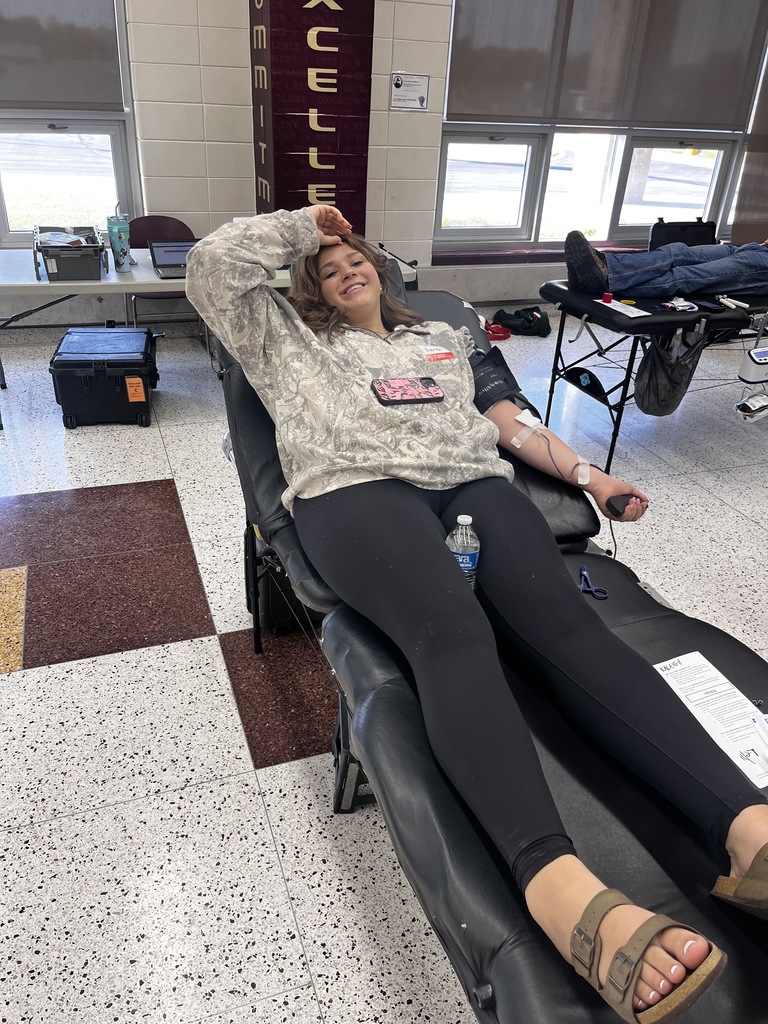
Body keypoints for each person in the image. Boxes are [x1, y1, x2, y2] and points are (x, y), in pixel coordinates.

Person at [187, 206, 768, 1024]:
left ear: (383, 271)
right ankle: (557, 888)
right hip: (357, 490)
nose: (346, 267)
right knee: (453, 634)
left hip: (470, 484)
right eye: (327, 267)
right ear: (305, 287)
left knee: (570, 630)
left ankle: (748, 829)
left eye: (356, 258)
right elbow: (211, 266)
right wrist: (306, 226)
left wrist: (591, 478)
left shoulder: (443, 337)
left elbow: (509, 424)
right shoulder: (284, 338)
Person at [564, 229, 768, 297]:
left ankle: (602, 285)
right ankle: (607, 266)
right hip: (757, 248)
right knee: (676, 252)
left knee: (685, 276)